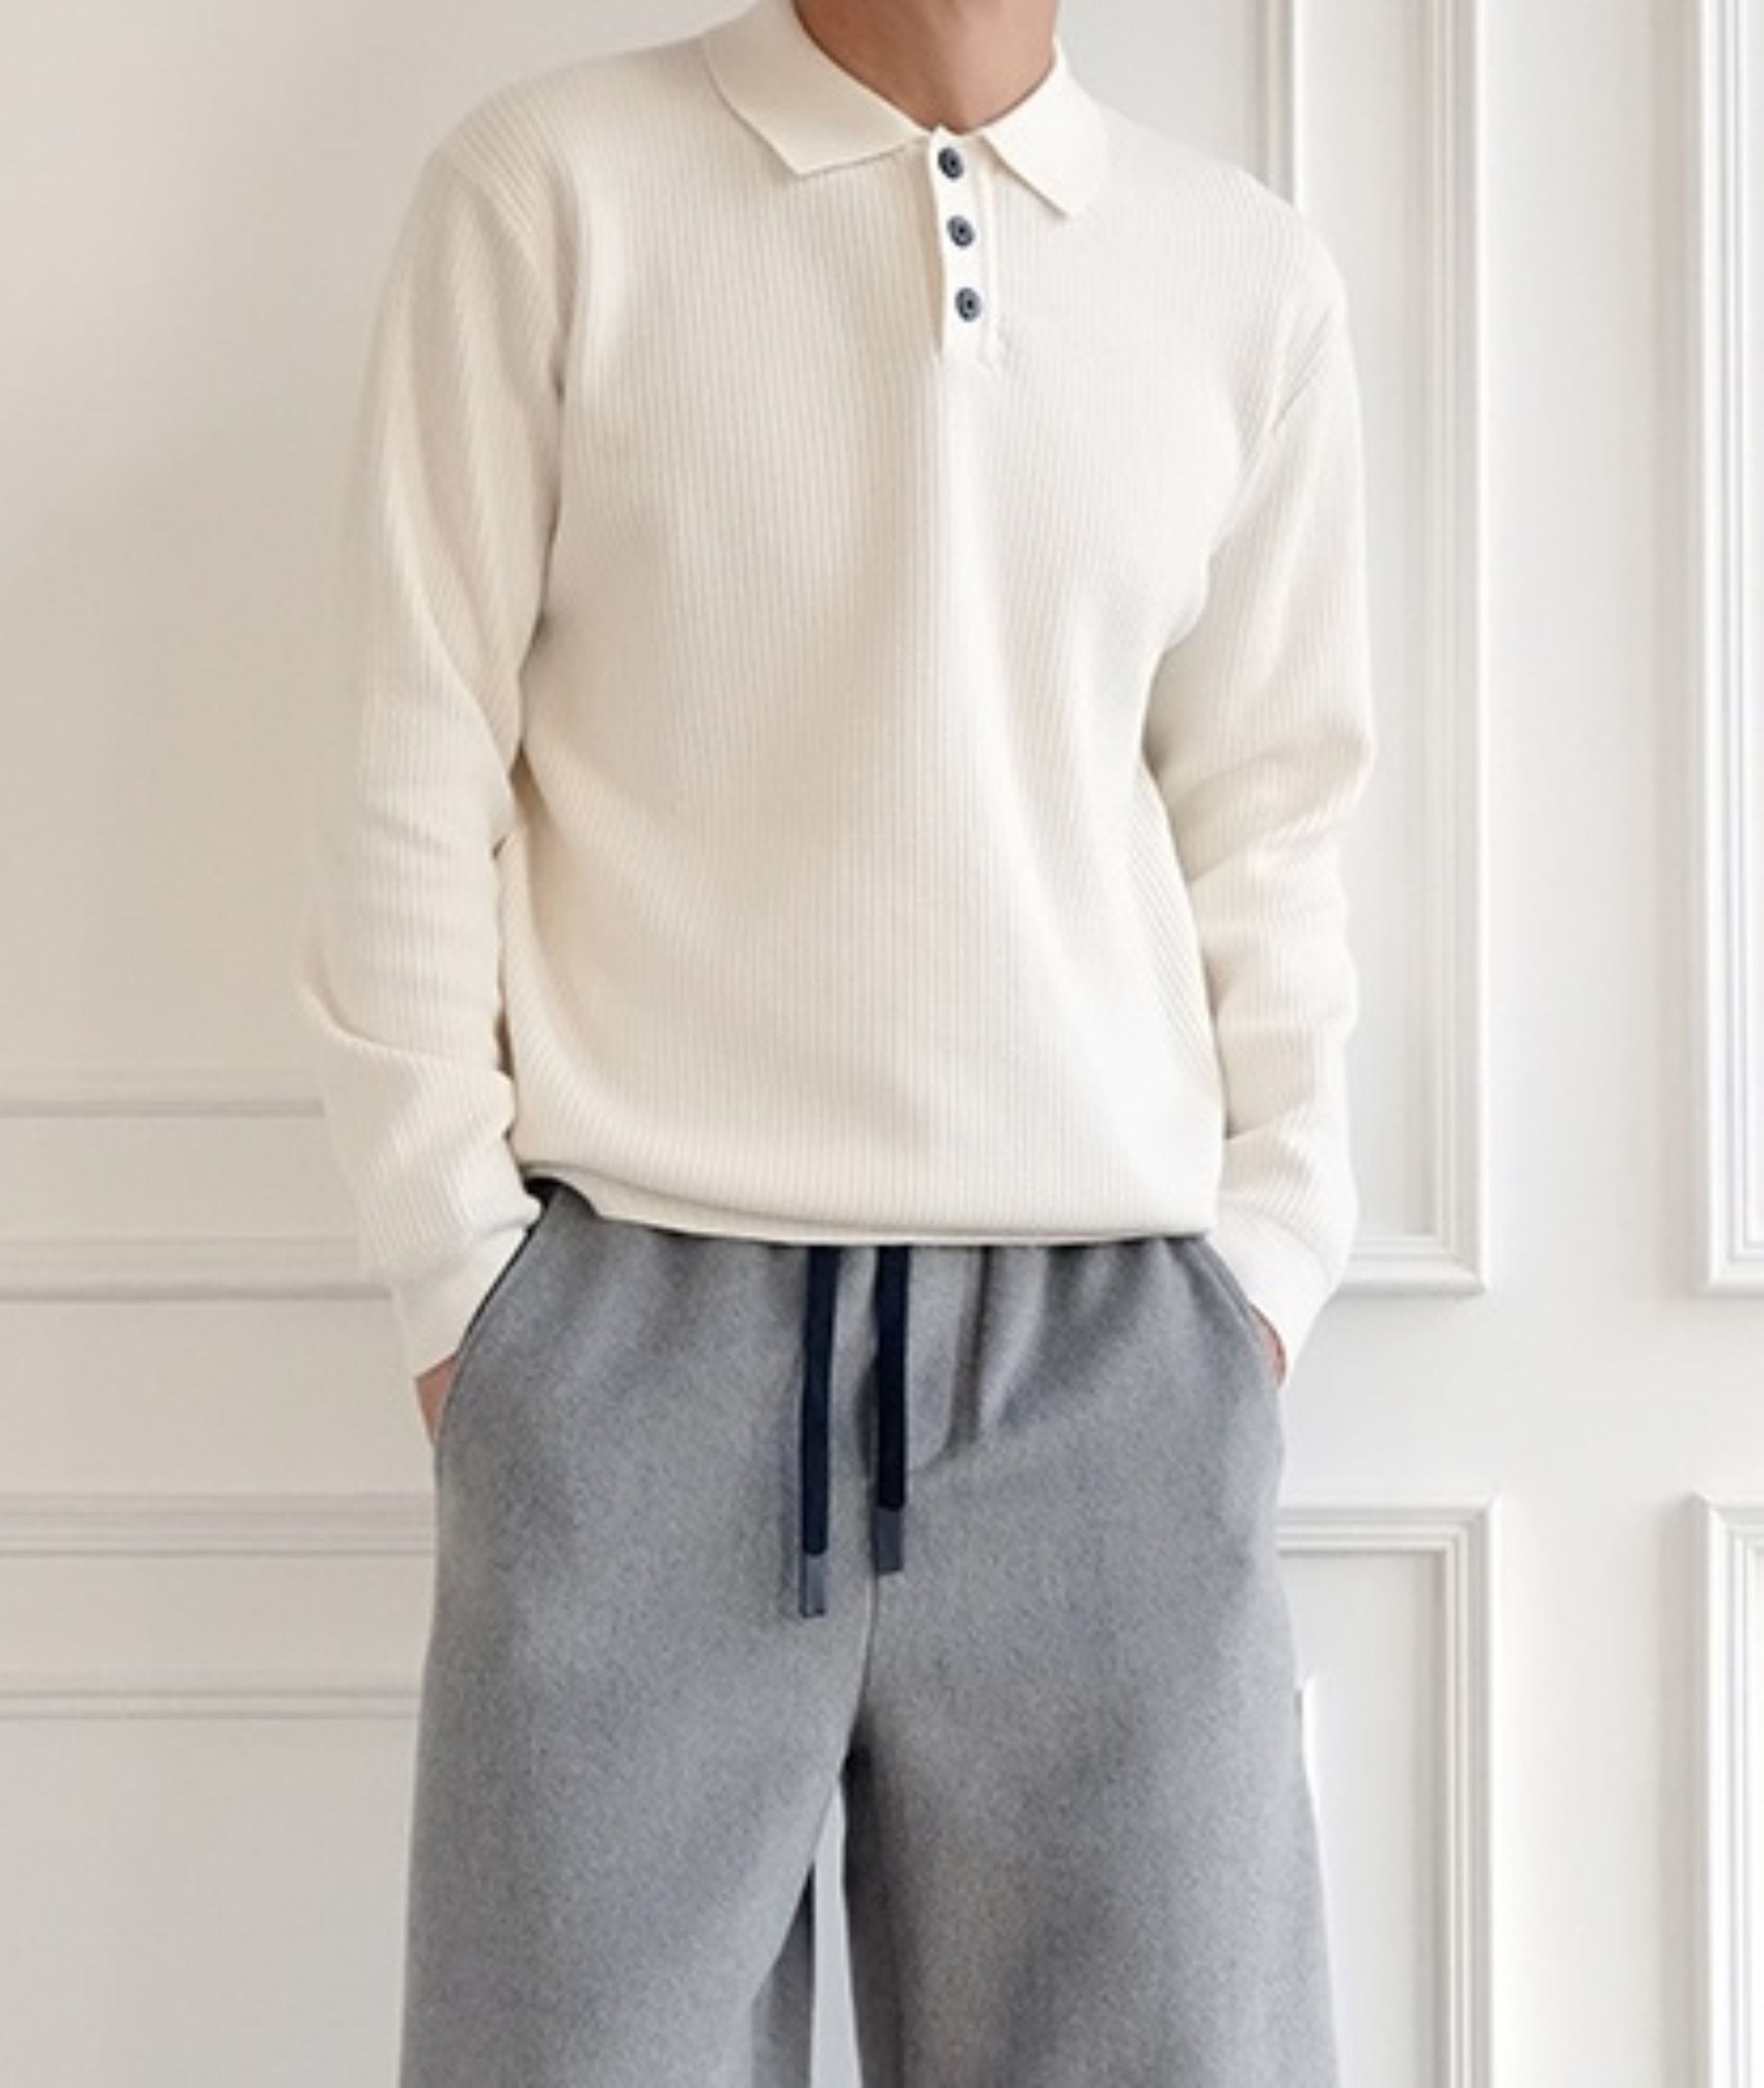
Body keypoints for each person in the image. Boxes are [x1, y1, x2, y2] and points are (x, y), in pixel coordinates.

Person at [295, 0, 1376, 2078]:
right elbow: (404, 763)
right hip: (634, 1352)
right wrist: (466, 1293)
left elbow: (1271, 821)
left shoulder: (1242, 279)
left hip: (1110, 1369)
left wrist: (1259, 1272)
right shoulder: (548, 194)